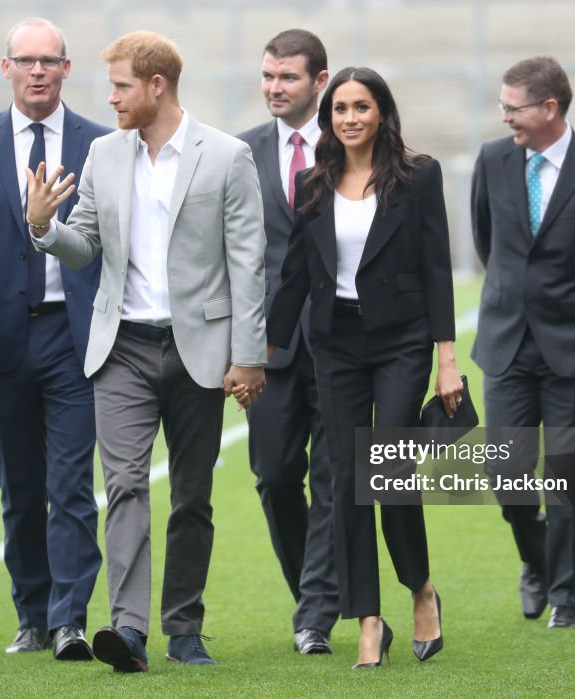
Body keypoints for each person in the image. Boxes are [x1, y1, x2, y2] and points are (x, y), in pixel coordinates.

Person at [25, 30, 266, 672]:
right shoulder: (105, 154)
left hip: (201, 350)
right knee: (126, 485)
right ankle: (127, 629)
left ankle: (184, 627)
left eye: (122, 86)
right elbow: (84, 245)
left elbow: (248, 264)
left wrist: (249, 356)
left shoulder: (227, 155)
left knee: (191, 496)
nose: (111, 99)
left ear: (157, 86)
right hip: (122, 348)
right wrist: (44, 227)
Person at [267, 66, 462, 668]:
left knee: (390, 472)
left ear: (381, 113)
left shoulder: (418, 176)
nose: (349, 118)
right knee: (350, 484)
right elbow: (296, 274)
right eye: (340, 108)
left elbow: (436, 266)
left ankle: (421, 589)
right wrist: (263, 352)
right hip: (336, 343)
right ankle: (369, 620)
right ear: (329, 118)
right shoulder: (312, 183)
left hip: (402, 341)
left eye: (361, 106)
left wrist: (446, 358)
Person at [0, 17, 110, 660]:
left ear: (68, 69)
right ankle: (31, 616)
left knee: (70, 485)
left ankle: (69, 618)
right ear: (5, 68)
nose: (37, 71)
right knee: (19, 489)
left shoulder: (100, 143)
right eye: (25, 60)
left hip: (74, 339)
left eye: (49, 60)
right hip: (2, 343)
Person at [471, 56, 575, 629]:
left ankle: (569, 600)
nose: (505, 118)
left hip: (574, 345)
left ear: (549, 107)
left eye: (513, 107)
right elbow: (485, 239)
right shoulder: (493, 159)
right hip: (505, 342)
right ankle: (536, 560)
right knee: (507, 477)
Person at [236, 28, 339, 655]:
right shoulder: (240, 152)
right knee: (274, 476)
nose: (275, 88)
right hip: (268, 347)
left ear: (319, 82)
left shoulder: (352, 145)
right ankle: (309, 588)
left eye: (289, 78)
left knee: (333, 479)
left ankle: (316, 614)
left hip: (340, 343)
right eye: (268, 77)